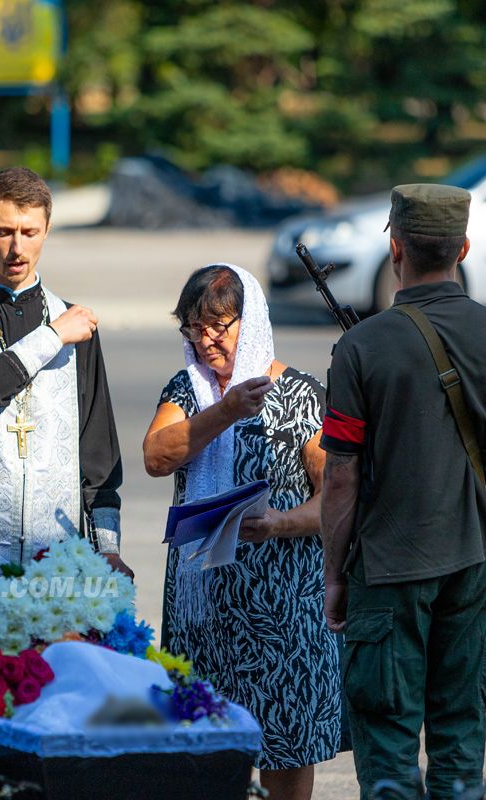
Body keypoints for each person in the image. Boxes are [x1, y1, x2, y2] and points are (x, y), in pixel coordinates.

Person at [320, 184, 486, 800]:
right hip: (469, 564)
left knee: (388, 755)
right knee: (460, 749)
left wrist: (333, 576)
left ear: (396, 247)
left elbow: (342, 476)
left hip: (385, 565)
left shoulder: (359, 347)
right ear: (464, 247)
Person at [143, 264, 339, 800]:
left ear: (249, 322)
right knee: (203, 751)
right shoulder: (187, 391)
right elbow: (156, 457)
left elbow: (337, 499)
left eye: (217, 327)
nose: (205, 341)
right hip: (202, 611)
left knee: (286, 745)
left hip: (282, 611)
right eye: (193, 329)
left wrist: (279, 522)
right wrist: (225, 410)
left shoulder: (300, 394)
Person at [0, 167, 127, 581]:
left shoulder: (77, 325)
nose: (17, 248)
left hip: (60, 535)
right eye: (3, 232)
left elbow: (98, 450)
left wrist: (108, 547)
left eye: (29, 232)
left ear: (47, 229)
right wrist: (53, 336)